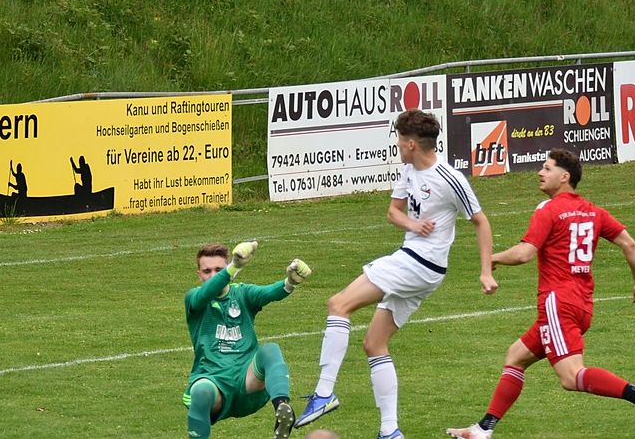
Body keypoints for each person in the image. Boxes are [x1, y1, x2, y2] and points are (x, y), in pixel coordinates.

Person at [295, 109, 497, 439]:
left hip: (419, 263)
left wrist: (485, 272)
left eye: (400, 140)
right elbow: (393, 212)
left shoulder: (449, 178)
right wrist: (413, 225)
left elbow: (480, 221)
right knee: (374, 343)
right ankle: (390, 431)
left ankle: (324, 393)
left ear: (412, 144)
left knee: (338, 304)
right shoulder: (408, 170)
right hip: (419, 264)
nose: (398, 145)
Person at [447, 148, 635, 438]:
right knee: (516, 356)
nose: (540, 172)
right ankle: (483, 429)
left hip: (557, 304)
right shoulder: (593, 211)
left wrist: (491, 258)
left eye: (547, 168)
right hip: (581, 305)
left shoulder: (549, 210)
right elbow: (629, 244)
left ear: (565, 177)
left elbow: (525, 253)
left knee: (571, 377)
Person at [184, 240, 312, 439]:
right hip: (213, 382)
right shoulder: (194, 298)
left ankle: (282, 407)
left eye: (218, 269)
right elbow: (206, 292)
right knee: (200, 391)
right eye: (207, 271)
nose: (213, 275)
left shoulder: (242, 293)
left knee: (270, 350)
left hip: (247, 380)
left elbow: (269, 293)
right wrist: (233, 267)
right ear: (199, 274)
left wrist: (290, 283)